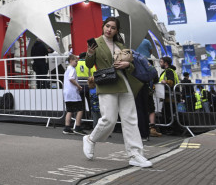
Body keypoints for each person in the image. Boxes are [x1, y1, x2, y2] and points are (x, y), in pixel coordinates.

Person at [82, 17, 151, 168]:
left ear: (116, 31)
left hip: (123, 83)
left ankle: (135, 154)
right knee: (109, 120)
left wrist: (127, 64)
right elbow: (88, 63)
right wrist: (89, 53)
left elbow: (132, 68)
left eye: (113, 28)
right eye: (107, 26)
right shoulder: (95, 42)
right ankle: (90, 139)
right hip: (106, 84)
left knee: (131, 119)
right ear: (103, 26)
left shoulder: (121, 45)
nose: (109, 29)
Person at [63, 55, 85, 135]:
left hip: (67, 93)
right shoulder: (72, 69)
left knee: (70, 110)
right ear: (71, 60)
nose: (77, 63)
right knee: (80, 109)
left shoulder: (67, 69)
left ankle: (67, 128)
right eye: (76, 61)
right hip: (73, 93)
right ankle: (78, 127)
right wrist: (78, 86)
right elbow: (71, 78)